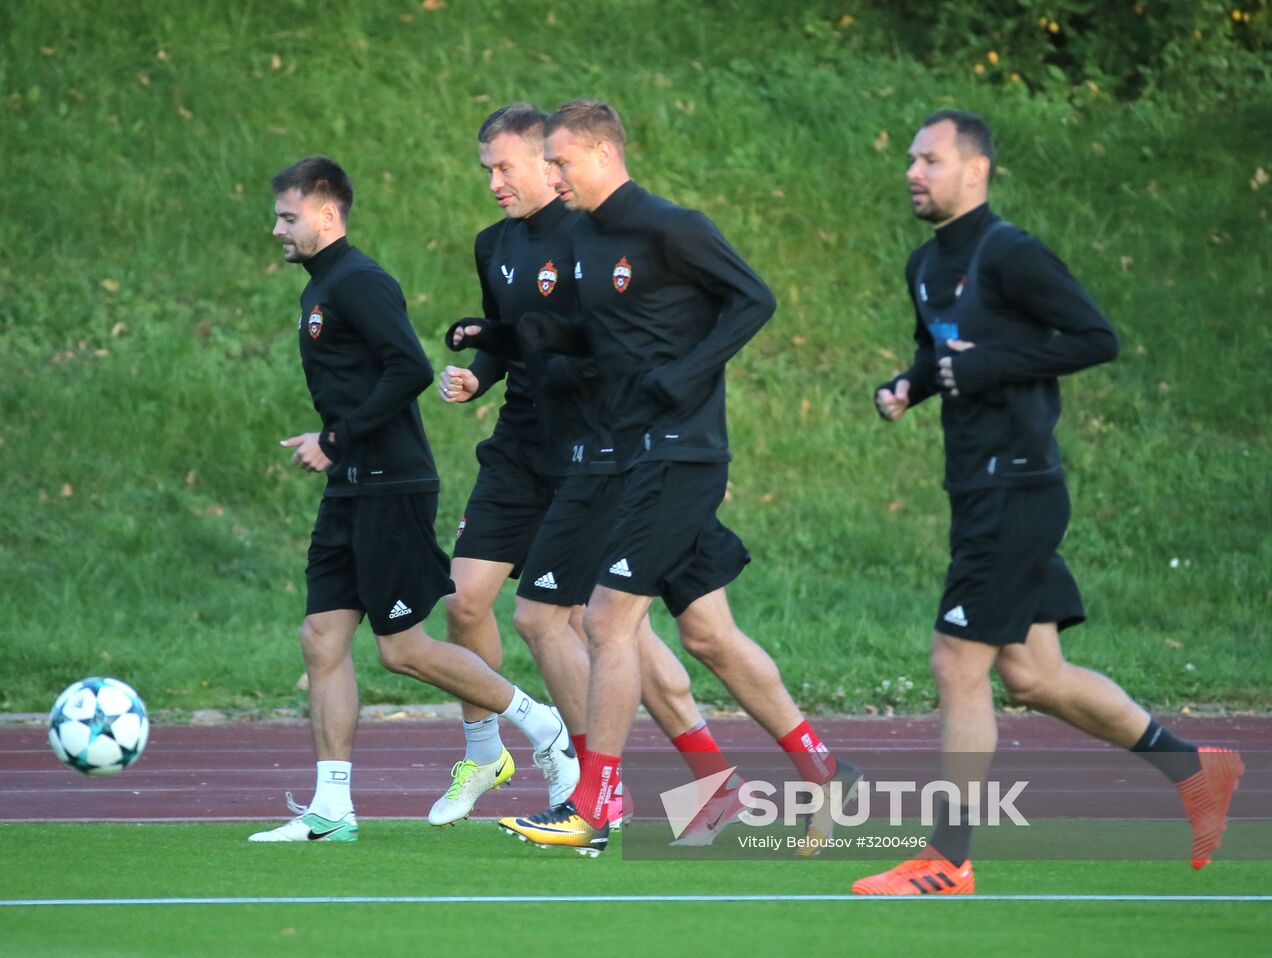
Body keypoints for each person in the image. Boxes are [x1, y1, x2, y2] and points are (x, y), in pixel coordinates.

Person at [852, 110, 1245, 893]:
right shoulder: (925, 264)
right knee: (1033, 674)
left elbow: (1094, 338)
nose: (913, 172)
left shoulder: (1013, 253)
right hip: (976, 486)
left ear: (976, 171)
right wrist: (910, 386)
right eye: (910, 160)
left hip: (1018, 484)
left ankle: (948, 859)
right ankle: (1195, 769)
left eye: (930, 160)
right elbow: (942, 349)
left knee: (956, 660)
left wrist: (989, 365)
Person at [497, 100, 860, 856]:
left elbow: (755, 299)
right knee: (707, 634)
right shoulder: (586, 240)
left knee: (605, 621)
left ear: (601, 153)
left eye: (559, 161)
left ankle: (593, 808)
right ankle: (829, 778)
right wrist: (510, 335)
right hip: (634, 455)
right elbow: (597, 337)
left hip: (679, 451)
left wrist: (686, 375)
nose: (552, 174)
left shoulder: (671, 225)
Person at [248, 155, 576, 843]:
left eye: (287, 217)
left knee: (401, 650)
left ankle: (541, 724)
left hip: (391, 485)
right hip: (351, 485)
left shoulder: (360, 282)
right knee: (321, 638)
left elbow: (411, 369)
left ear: (327, 214)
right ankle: (332, 810)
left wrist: (337, 438)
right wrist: (335, 440)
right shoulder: (321, 286)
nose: (276, 228)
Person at [432, 104, 737, 835]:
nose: (495, 183)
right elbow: (516, 337)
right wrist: (481, 373)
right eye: (488, 171)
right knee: (468, 601)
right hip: (519, 449)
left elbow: (613, 338)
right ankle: (505, 757)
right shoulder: (494, 245)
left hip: (597, 449)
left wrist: (665, 400)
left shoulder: (594, 235)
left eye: (507, 167)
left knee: (593, 624)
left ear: (550, 163)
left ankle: (620, 785)